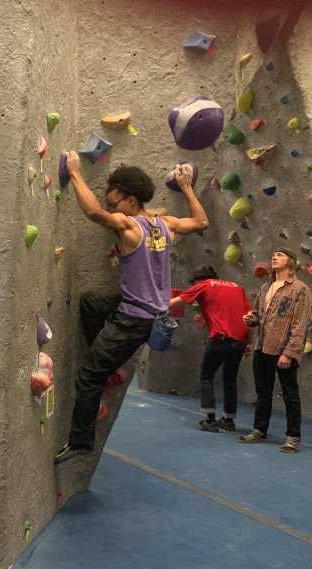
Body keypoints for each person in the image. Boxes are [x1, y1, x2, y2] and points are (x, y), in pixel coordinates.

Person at [54, 158, 209, 463]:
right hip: (142, 310)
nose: (112, 209)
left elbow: (92, 213)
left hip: (133, 320)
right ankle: (108, 363)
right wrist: (187, 188)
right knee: (92, 304)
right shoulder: (165, 224)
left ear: (132, 199)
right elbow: (201, 222)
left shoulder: (129, 226)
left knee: (88, 377)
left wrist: (74, 173)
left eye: (115, 203)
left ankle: (80, 443)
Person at [240, 248, 312, 453]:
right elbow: (257, 315)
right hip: (262, 347)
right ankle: (259, 429)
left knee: (290, 394)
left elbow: (300, 324)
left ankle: (292, 437)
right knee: (263, 392)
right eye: (273, 254)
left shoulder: (300, 289)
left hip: (283, 350)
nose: (274, 257)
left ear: (292, 262)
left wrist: (289, 353)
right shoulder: (265, 288)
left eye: (280, 255)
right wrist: (250, 319)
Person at [169, 266, 251, 432]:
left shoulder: (205, 284)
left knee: (206, 375)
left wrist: (152, 307)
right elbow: (249, 316)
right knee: (230, 379)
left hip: (221, 337)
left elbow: (175, 302)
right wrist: (248, 342)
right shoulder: (237, 287)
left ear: (198, 281)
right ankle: (229, 420)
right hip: (240, 339)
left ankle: (210, 419)